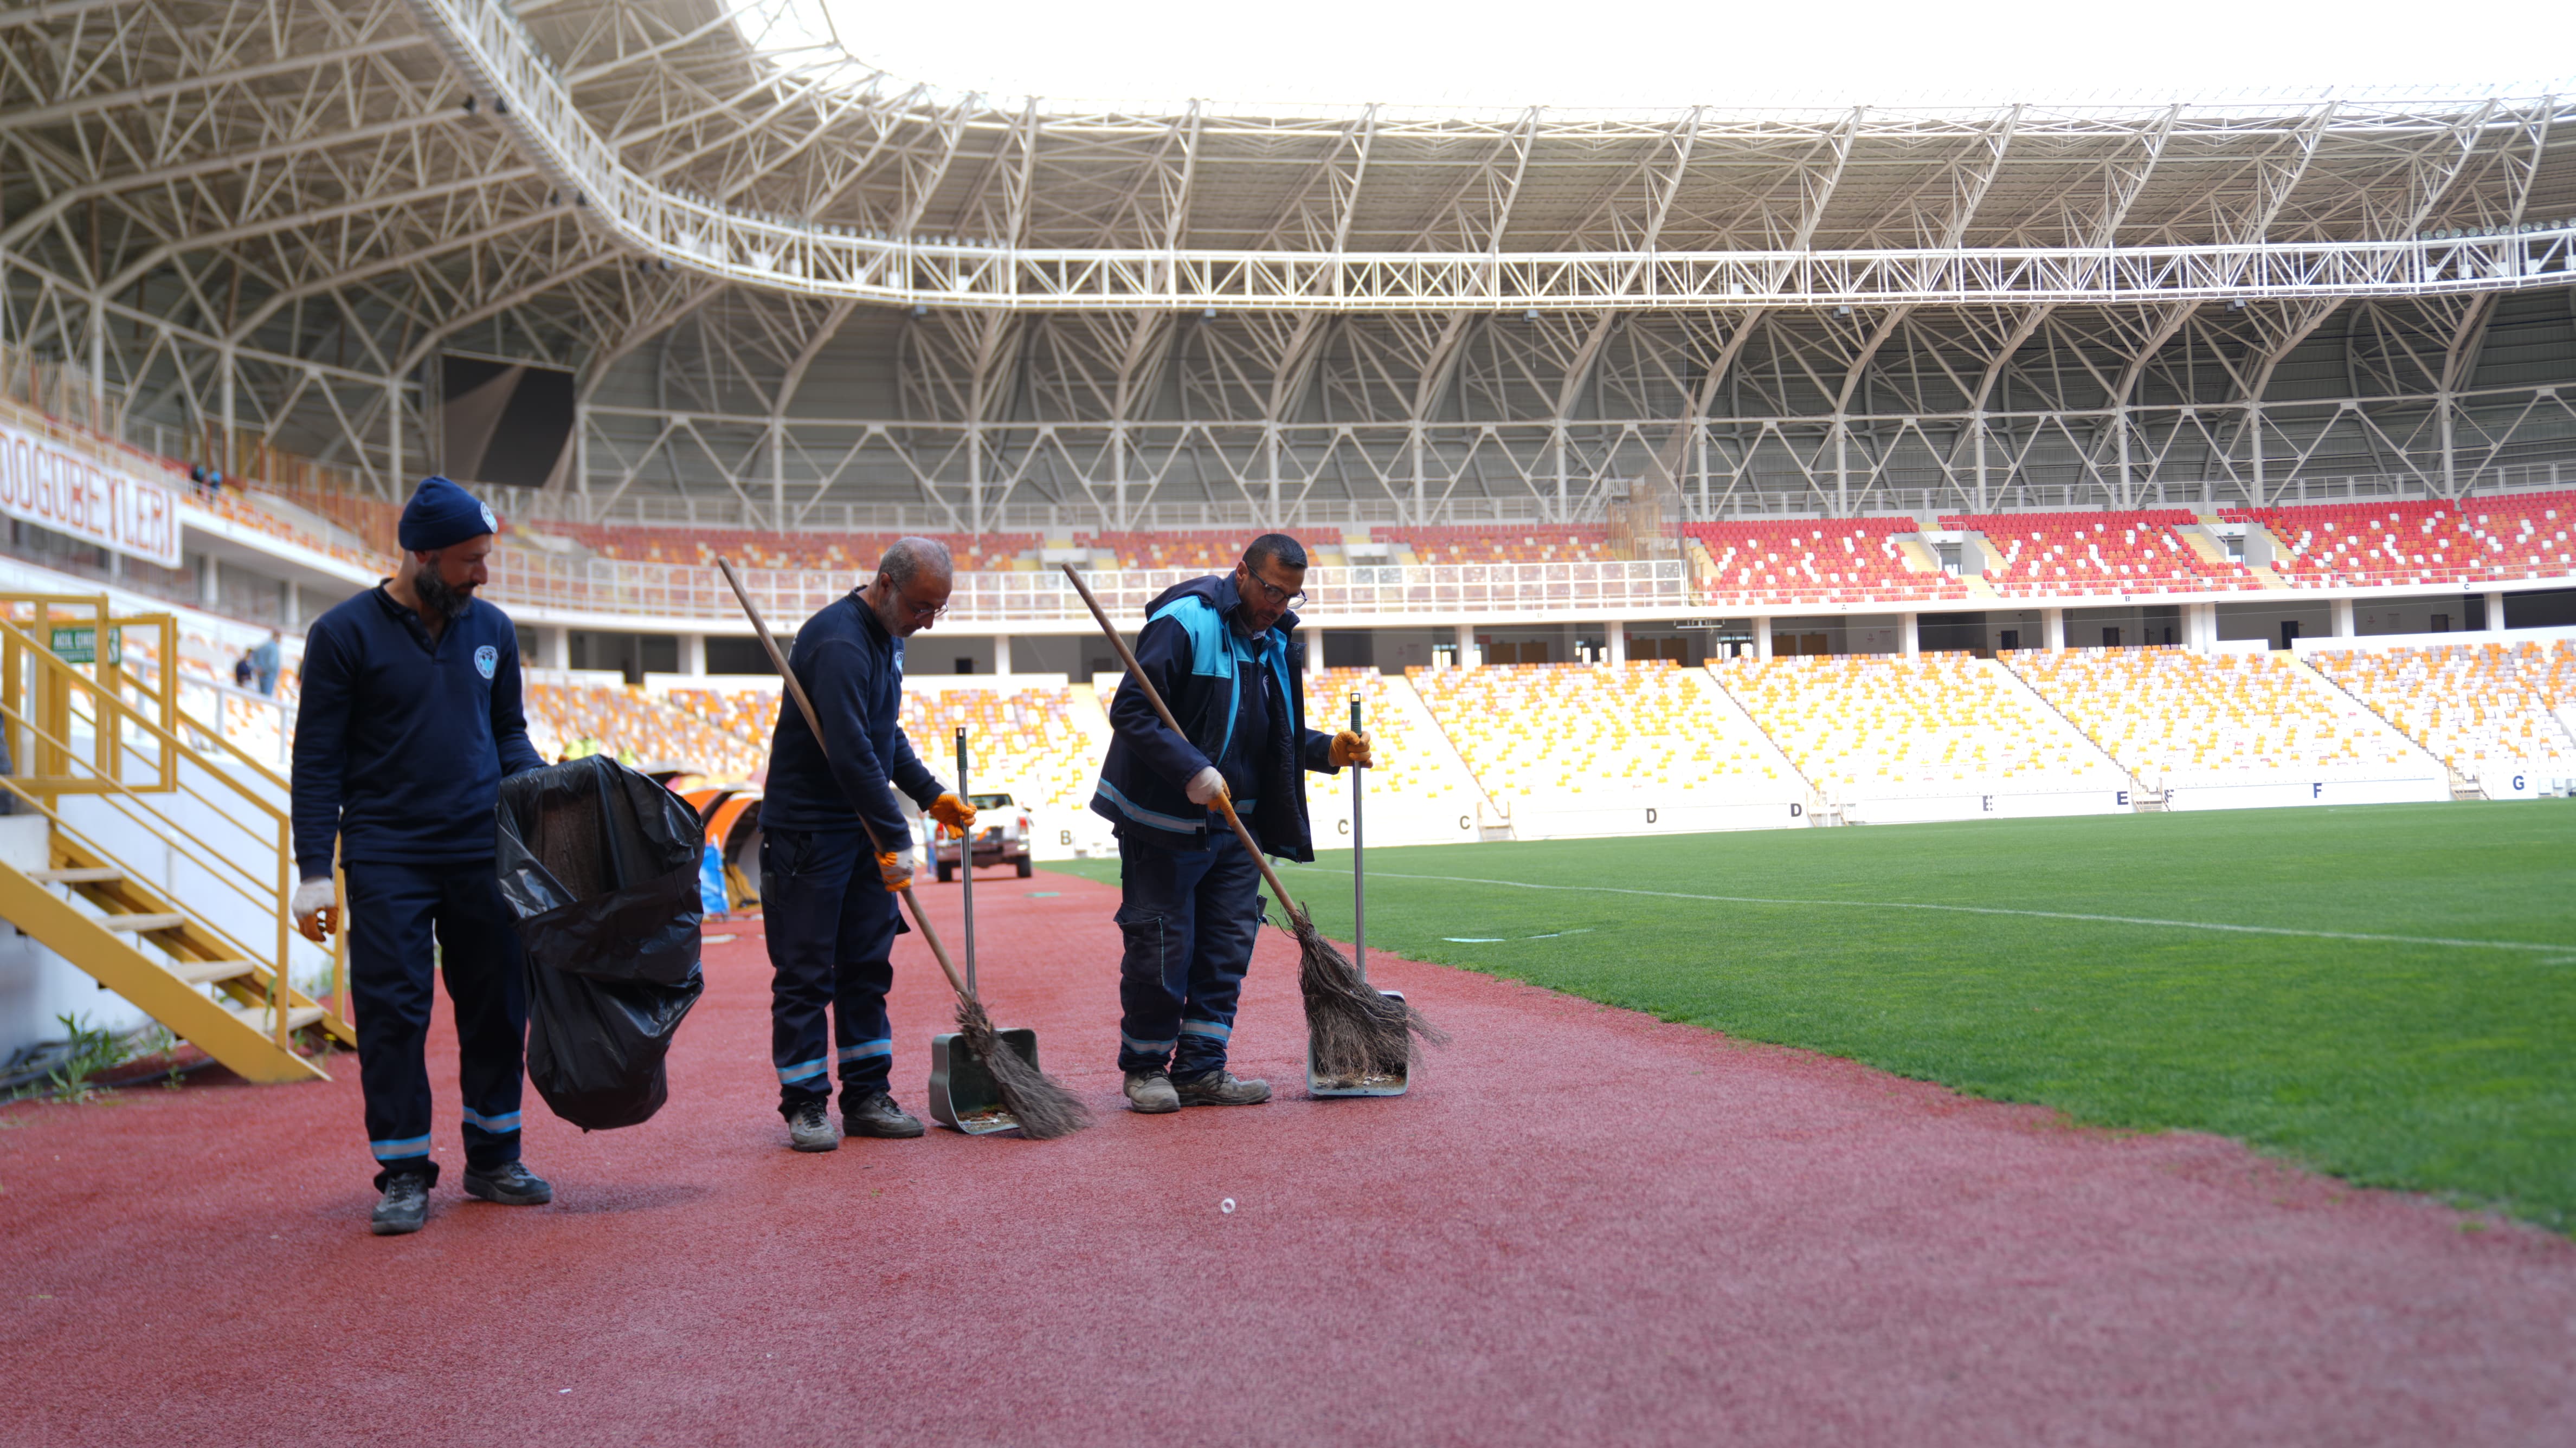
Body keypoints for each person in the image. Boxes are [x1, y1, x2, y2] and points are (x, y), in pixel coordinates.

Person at [289, 476, 550, 1236]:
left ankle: (496, 1158)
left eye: (486, 558)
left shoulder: (492, 631)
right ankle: (403, 1174)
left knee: (500, 1006)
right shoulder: (342, 635)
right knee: (393, 1014)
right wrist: (312, 872)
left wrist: (536, 785)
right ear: (423, 554)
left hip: (481, 848)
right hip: (386, 854)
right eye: (471, 560)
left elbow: (507, 731)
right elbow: (317, 763)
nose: (483, 574)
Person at [1091, 534, 1375, 1113]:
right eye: (1272, 589)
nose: (1279, 605)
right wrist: (1191, 769)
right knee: (1163, 948)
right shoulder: (1185, 621)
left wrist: (1327, 751)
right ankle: (1146, 1068)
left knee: (1225, 950)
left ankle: (1201, 1068)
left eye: (1292, 595)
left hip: (1239, 827)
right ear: (1241, 572)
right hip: (1164, 821)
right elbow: (1131, 710)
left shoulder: (1273, 641)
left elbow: (1269, 738)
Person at [759, 537, 978, 1152]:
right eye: (920, 606)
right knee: (806, 973)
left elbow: (885, 735)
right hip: (810, 832)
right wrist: (896, 833)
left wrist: (930, 792)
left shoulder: (891, 636)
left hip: (857, 831)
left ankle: (866, 1095)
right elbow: (852, 751)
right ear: (884, 583)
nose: (927, 622)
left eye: (939, 610)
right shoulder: (837, 641)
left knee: (866, 967)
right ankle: (805, 1103)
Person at [249, 629, 281, 696]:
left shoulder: (263, 646)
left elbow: (253, 657)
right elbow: (272, 664)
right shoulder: (274, 648)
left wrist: (257, 668)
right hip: (269, 677)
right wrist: (264, 670)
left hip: (261, 676)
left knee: (261, 697)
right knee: (266, 700)